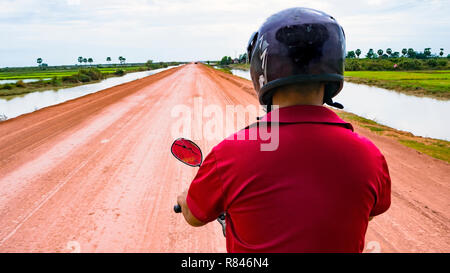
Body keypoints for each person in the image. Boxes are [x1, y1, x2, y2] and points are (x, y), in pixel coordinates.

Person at [177, 7, 391, 253]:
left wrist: (184, 198)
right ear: (334, 69)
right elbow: (371, 212)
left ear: (261, 72)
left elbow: (194, 217)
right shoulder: (370, 155)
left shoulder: (230, 154)